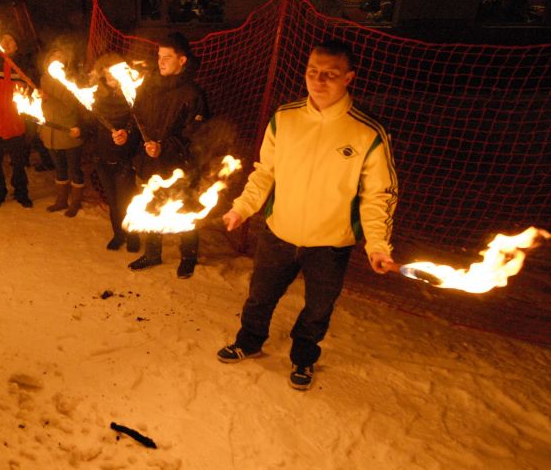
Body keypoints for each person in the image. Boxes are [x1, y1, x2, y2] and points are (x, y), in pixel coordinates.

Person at [216, 39, 398, 391]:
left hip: (329, 244)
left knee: (318, 308)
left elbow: (379, 195)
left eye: (330, 74)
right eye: (313, 72)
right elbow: (264, 172)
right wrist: (242, 208)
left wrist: (377, 245)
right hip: (279, 233)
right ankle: (249, 341)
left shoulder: (367, 132)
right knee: (259, 296)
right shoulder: (285, 118)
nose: (319, 80)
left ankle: (303, 357)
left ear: (349, 78)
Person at [114, 32, 208, 278]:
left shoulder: (193, 94)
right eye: (159, 56)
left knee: (185, 209)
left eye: (167, 57)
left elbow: (195, 134)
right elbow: (138, 120)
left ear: (182, 60)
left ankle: (188, 256)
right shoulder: (148, 87)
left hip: (179, 166)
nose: (161, 61)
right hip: (149, 162)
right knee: (151, 205)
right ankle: (152, 253)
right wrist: (127, 134)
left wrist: (164, 147)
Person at [91, 52, 140, 251]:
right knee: (112, 201)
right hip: (103, 156)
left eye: (113, 73)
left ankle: (133, 235)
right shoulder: (95, 95)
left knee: (126, 201)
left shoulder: (131, 94)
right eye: (107, 74)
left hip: (124, 157)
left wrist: (127, 134)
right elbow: (91, 124)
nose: (110, 78)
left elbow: (138, 124)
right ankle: (119, 234)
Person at [0, 29, 32, 208]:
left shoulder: (23, 64)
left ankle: (21, 192)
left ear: (16, 45)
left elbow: (32, 89)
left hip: (14, 123)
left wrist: (35, 92)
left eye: (11, 40)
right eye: (4, 40)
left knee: (18, 163)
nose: (8, 43)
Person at [39, 47, 85, 217]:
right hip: (50, 132)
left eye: (60, 58)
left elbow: (70, 106)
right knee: (60, 169)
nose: (56, 61)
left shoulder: (72, 81)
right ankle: (61, 200)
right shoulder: (44, 79)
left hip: (68, 131)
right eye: (53, 57)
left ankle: (75, 202)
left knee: (74, 169)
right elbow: (45, 106)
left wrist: (49, 96)